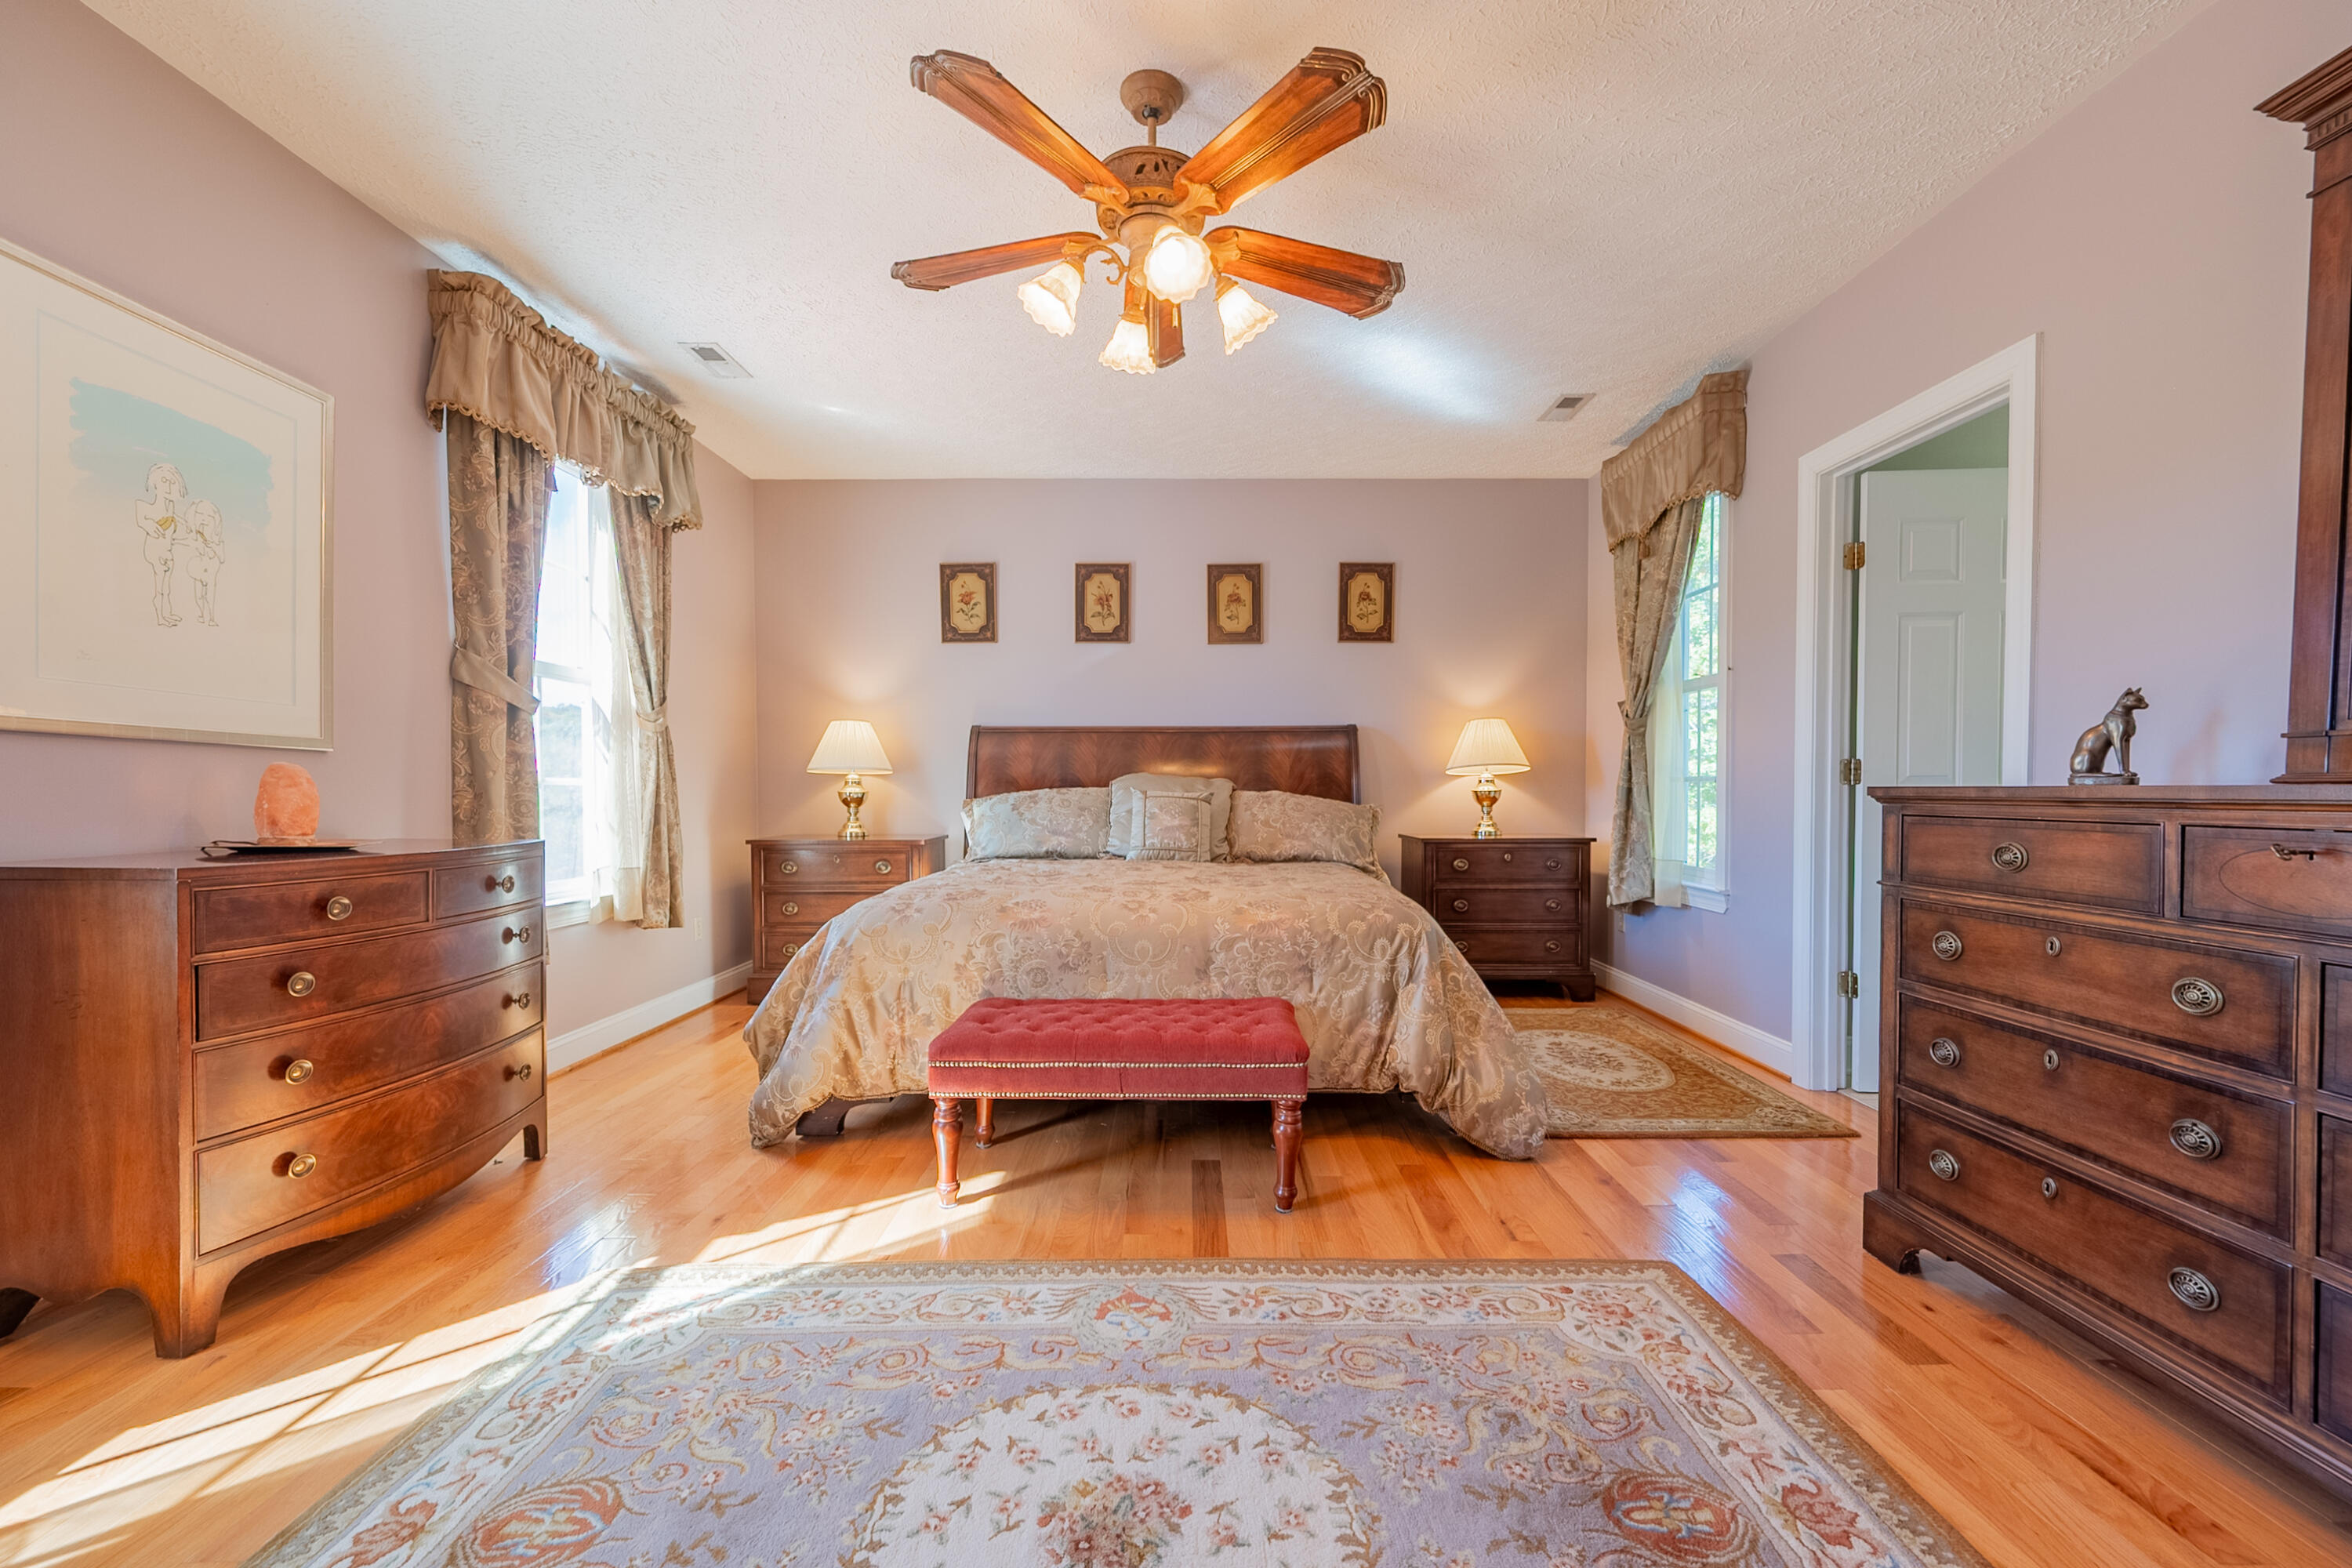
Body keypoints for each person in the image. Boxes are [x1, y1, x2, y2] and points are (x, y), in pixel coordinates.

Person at [134, 463, 186, 626]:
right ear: (155, 483)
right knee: (160, 589)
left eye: (172, 482)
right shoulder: (143, 507)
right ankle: (160, 618)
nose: (168, 486)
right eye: (164, 481)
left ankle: (167, 613)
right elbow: (142, 520)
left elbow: (176, 523)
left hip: (168, 552)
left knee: (166, 588)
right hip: (155, 553)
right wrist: (148, 524)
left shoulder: (171, 508)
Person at [183, 499, 226, 626]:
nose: (204, 519)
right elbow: (186, 542)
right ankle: (202, 614)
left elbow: (222, 559)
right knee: (199, 596)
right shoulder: (196, 538)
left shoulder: (218, 543)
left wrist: (213, 546)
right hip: (198, 571)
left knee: (210, 595)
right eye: (200, 514)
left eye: (209, 516)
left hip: (211, 573)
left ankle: (212, 617)